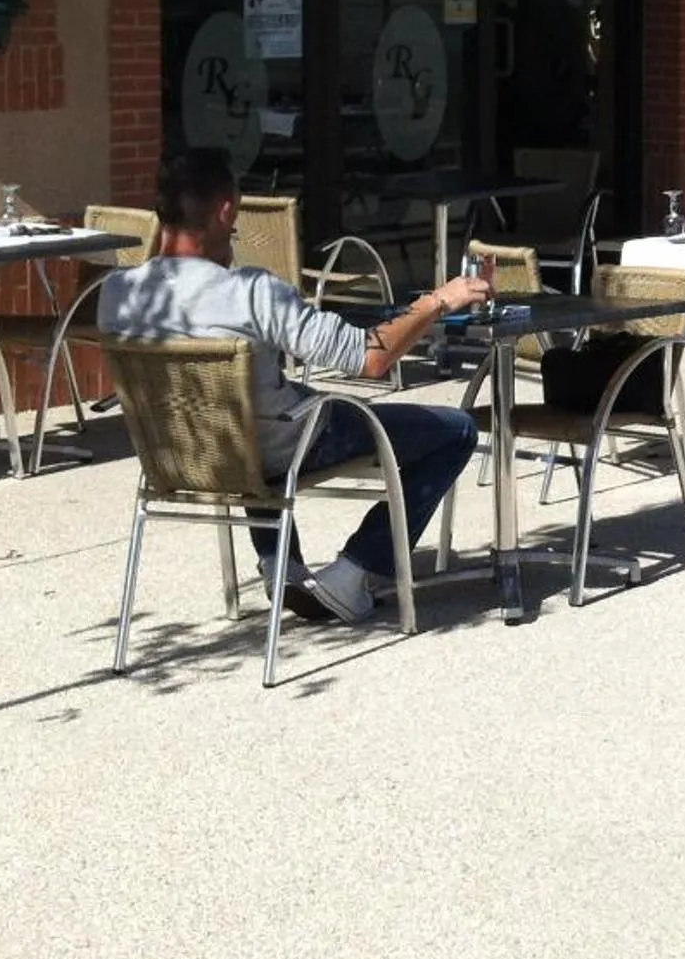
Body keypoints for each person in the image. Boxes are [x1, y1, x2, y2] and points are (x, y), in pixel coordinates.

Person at [99, 148, 486, 625]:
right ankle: (355, 573)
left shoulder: (117, 293)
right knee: (456, 430)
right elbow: (368, 358)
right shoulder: (251, 292)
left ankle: (281, 565)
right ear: (225, 211)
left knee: (246, 417)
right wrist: (436, 302)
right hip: (273, 447)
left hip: (188, 452)